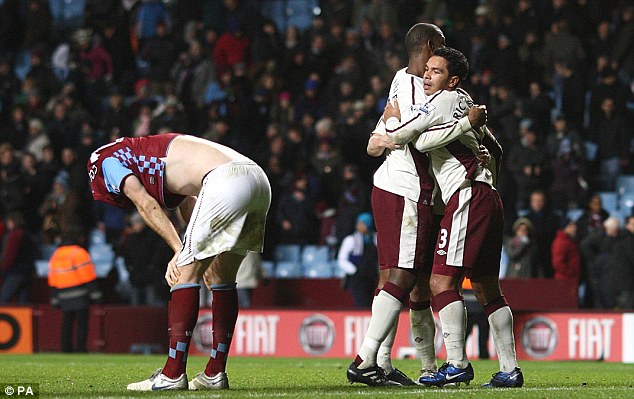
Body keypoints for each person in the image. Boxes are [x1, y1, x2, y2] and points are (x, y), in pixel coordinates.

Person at [347, 23, 487, 387]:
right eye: (440, 48)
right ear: (429, 45)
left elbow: (381, 138)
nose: (433, 69)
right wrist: (393, 132)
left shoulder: (402, 82)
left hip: (414, 193)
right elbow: (409, 136)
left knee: (415, 283)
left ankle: (418, 366)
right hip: (407, 191)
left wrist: (387, 132)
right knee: (402, 276)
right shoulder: (424, 92)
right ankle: (369, 359)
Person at [87, 133, 271, 391]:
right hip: (258, 181)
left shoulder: (105, 161)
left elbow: (145, 203)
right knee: (222, 278)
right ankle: (214, 373)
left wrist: (180, 250)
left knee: (184, 274)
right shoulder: (149, 153)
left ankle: (172, 374)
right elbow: (189, 200)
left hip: (225, 180)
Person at [384, 47, 522, 388]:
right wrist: (482, 168)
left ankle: (457, 363)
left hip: (467, 196)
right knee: (488, 288)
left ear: (452, 80)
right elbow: (498, 150)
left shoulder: (443, 101)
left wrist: (390, 117)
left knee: (439, 282)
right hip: (488, 195)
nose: (427, 76)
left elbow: (404, 137)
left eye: (435, 71)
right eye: (426, 70)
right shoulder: (466, 101)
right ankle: (509, 369)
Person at [48, 227, 101, 352]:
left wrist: (54, 297)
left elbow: (53, 276)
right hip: (79, 294)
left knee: (67, 323)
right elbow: (88, 276)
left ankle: (65, 348)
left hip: (63, 294)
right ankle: (80, 349)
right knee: (82, 324)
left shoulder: (57, 254)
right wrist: (96, 294)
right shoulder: (79, 253)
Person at [337, 212, 378, 309]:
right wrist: (354, 270)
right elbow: (342, 259)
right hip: (356, 278)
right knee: (361, 301)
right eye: (359, 223)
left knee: (370, 301)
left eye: (363, 224)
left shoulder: (375, 239)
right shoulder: (351, 240)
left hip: (371, 276)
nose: (360, 226)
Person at [0, 212, 36, 305]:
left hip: (15, 272)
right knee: (22, 302)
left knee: (3, 299)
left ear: (13, 222)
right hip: (27, 272)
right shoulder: (27, 235)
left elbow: (9, 255)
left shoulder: (15, 235)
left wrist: (3, 267)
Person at [551, 218, 582, 284]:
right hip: (565, 280)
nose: (575, 228)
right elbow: (558, 263)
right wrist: (570, 272)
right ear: (565, 227)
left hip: (571, 279)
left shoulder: (569, 240)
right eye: (571, 226)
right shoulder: (561, 242)